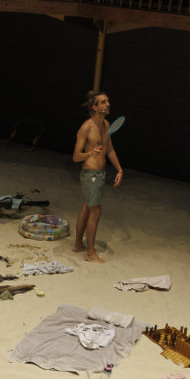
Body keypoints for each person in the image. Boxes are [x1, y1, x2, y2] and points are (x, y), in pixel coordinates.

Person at [71, 89, 123, 262]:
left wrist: (119, 169)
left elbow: (109, 150)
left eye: (107, 101)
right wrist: (90, 153)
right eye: (103, 102)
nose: (108, 104)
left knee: (87, 207)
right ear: (94, 107)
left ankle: (78, 245)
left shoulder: (106, 125)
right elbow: (76, 156)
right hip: (90, 174)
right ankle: (90, 253)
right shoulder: (86, 127)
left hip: (100, 173)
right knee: (96, 212)